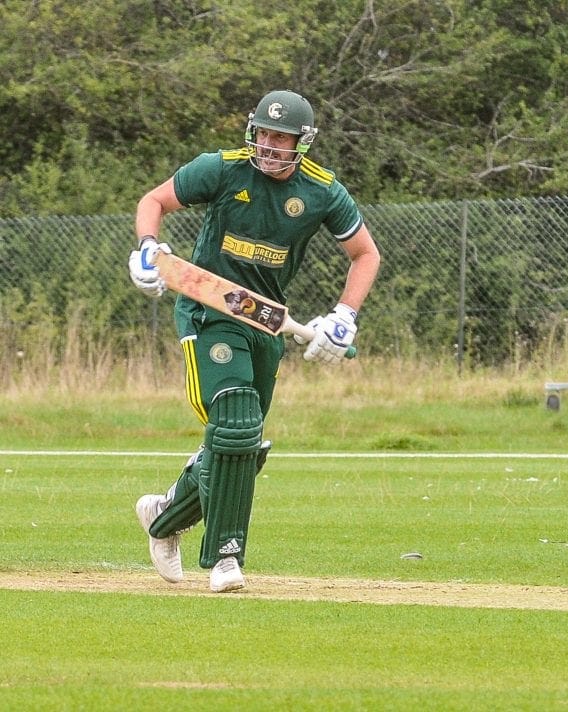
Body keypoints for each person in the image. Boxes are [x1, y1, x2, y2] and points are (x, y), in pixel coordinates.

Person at [128, 90, 381, 593]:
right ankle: (225, 559)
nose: (268, 145)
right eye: (263, 133)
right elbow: (152, 201)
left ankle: (163, 516)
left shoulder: (323, 191)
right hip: (207, 308)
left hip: (265, 323)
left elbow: (365, 254)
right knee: (235, 421)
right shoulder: (221, 169)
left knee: (244, 446)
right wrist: (147, 249)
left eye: (280, 137)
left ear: (301, 142)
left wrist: (344, 317)